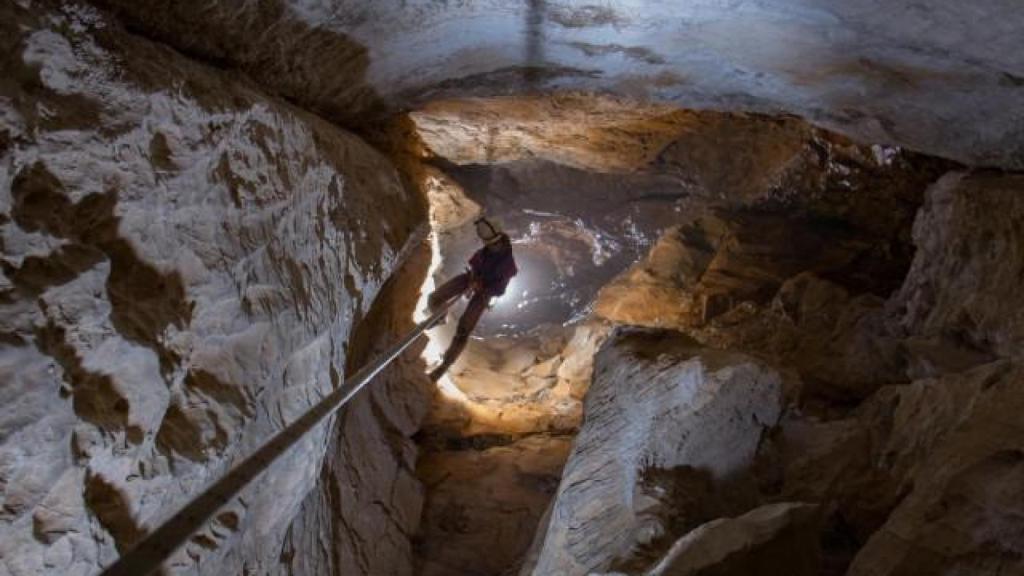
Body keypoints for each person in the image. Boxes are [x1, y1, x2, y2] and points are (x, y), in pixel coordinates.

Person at [427, 217, 517, 381]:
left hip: (484, 294)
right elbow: (475, 264)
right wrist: (473, 279)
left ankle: (443, 367)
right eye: (488, 243)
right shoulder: (485, 251)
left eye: (494, 243)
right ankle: (440, 318)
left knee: (463, 331)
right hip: (470, 278)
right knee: (434, 298)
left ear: (501, 239)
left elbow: (500, 290)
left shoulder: (508, 265)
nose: (491, 245)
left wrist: (480, 288)